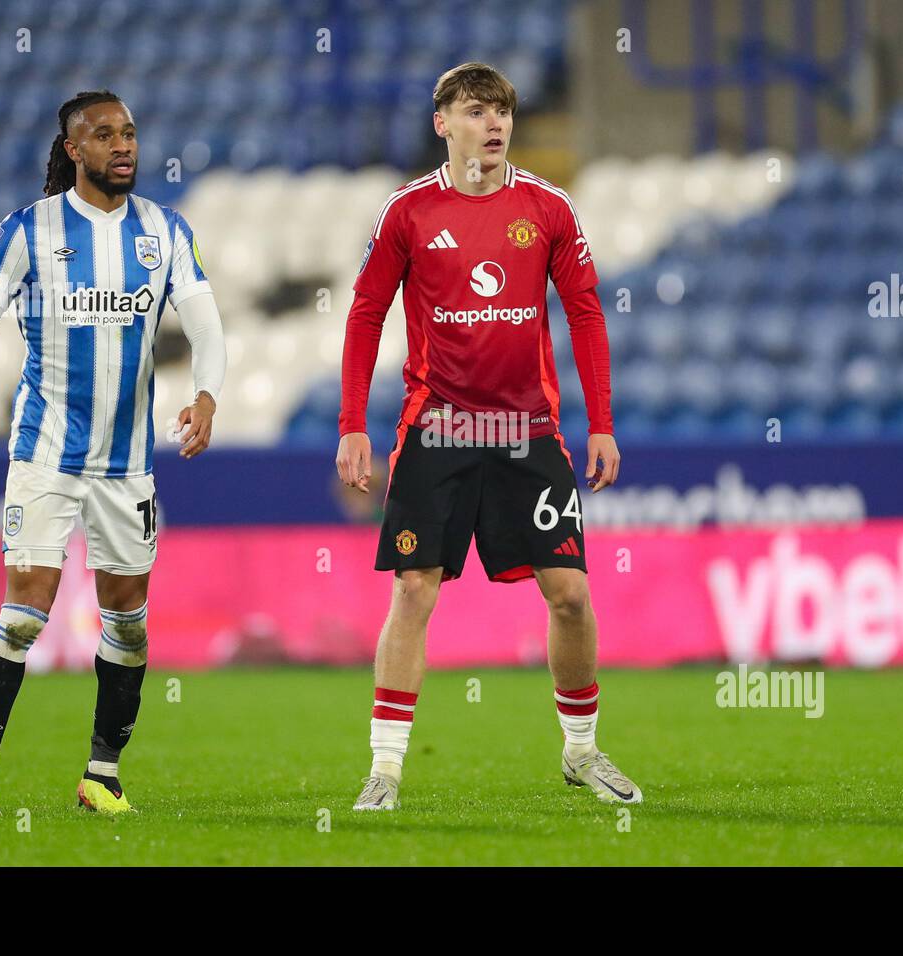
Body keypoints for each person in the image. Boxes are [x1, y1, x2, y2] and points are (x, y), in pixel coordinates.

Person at [0, 90, 226, 818]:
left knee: (128, 625)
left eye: (130, 132)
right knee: (23, 614)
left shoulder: (165, 232)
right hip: (44, 455)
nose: (123, 145)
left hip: (127, 465)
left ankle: (102, 775)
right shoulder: (28, 231)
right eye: (105, 135)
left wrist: (207, 396)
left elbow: (206, 321)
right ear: (74, 149)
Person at [335, 63, 640, 810]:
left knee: (568, 594)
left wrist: (601, 422)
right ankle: (386, 769)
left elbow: (587, 315)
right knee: (414, 589)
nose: (495, 123)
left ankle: (581, 752)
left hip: (528, 432)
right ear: (443, 122)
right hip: (435, 430)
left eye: (501, 109)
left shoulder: (548, 207)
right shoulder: (406, 213)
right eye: (476, 110)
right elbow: (366, 313)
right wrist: (351, 425)